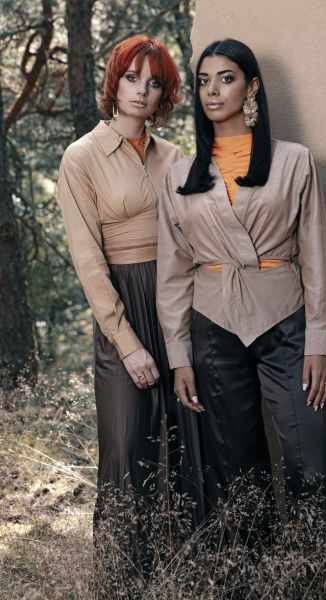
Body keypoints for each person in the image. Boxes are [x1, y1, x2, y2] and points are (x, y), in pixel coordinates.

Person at [156, 38, 326, 539]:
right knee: (237, 476)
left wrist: (319, 343)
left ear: (252, 86)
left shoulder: (295, 162)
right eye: (203, 81)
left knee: (310, 467)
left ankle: (320, 581)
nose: (212, 91)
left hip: (287, 324)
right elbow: (173, 275)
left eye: (226, 78)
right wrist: (179, 356)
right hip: (213, 328)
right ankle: (253, 583)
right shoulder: (178, 176)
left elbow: (318, 259)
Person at [58, 35, 203, 595]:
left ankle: (190, 575)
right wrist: (128, 342)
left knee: (188, 439)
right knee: (126, 445)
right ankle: (123, 584)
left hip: (179, 302)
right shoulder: (82, 157)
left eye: (155, 82)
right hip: (123, 304)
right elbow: (88, 260)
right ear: (114, 83)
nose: (142, 91)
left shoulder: (177, 158)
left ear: (164, 93)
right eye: (132, 78)